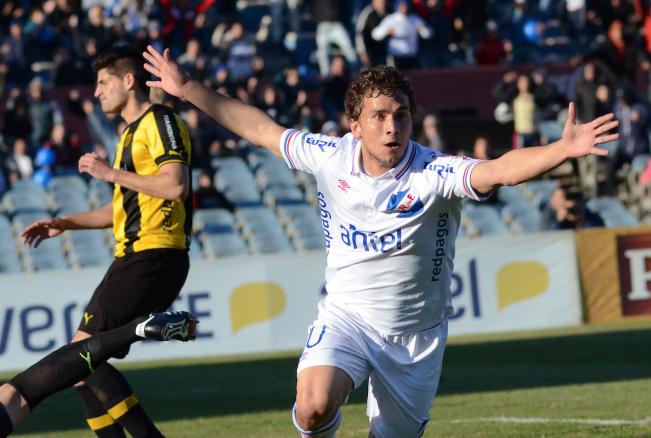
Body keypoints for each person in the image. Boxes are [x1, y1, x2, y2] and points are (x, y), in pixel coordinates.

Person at [143, 45, 618, 438]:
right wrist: (187, 89)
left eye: (401, 115)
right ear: (356, 124)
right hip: (347, 317)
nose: (393, 127)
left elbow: (498, 170)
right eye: (380, 116)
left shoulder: (434, 172)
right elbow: (259, 128)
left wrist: (561, 149)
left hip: (416, 335)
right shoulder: (329, 157)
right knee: (311, 406)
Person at [20, 45, 192, 438]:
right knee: (80, 369)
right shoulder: (128, 134)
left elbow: (175, 185)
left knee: (80, 356)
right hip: (133, 256)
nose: (96, 92)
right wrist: (65, 222)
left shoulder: (160, 121)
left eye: (102, 83)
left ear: (128, 81)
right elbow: (123, 210)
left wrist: (111, 173)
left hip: (155, 254)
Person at [0, 311, 197, 438]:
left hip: (147, 256)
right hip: (152, 259)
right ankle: (138, 328)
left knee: (24, 391)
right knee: (23, 391)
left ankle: (138, 328)